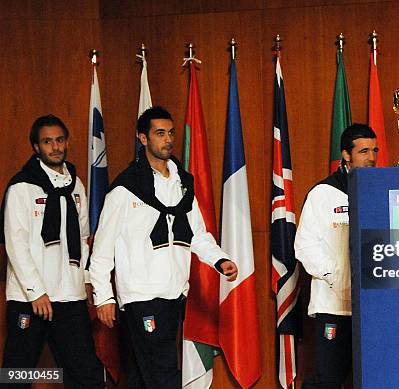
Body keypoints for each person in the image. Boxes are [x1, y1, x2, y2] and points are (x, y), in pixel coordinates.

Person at [89, 106, 238, 388]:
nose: (168, 139)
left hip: (175, 294)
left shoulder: (183, 184)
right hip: (141, 296)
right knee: (164, 372)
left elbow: (197, 234)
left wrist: (220, 260)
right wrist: (104, 297)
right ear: (143, 138)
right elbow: (102, 250)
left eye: (170, 133)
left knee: (144, 375)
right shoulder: (124, 189)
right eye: (159, 133)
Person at [1, 115, 105, 388]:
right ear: (36, 147)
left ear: (67, 142)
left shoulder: (76, 185)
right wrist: (36, 292)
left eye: (59, 140)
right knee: (16, 375)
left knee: (86, 375)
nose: (55, 147)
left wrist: (86, 280)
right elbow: (16, 243)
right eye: (47, 142)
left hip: (70, 297)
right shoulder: (22, 186)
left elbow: (83, 239)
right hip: (29, 299)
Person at [295, 123, 378, 389]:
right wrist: (336, 274)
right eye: (364, 151)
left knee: (368, 379)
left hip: (372, 306)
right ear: (346, 155)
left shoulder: (379, 191)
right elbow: (304, 245)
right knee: (329, 379)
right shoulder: (323, 194)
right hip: (334, 306)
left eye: (374, 150)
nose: (371, 158)